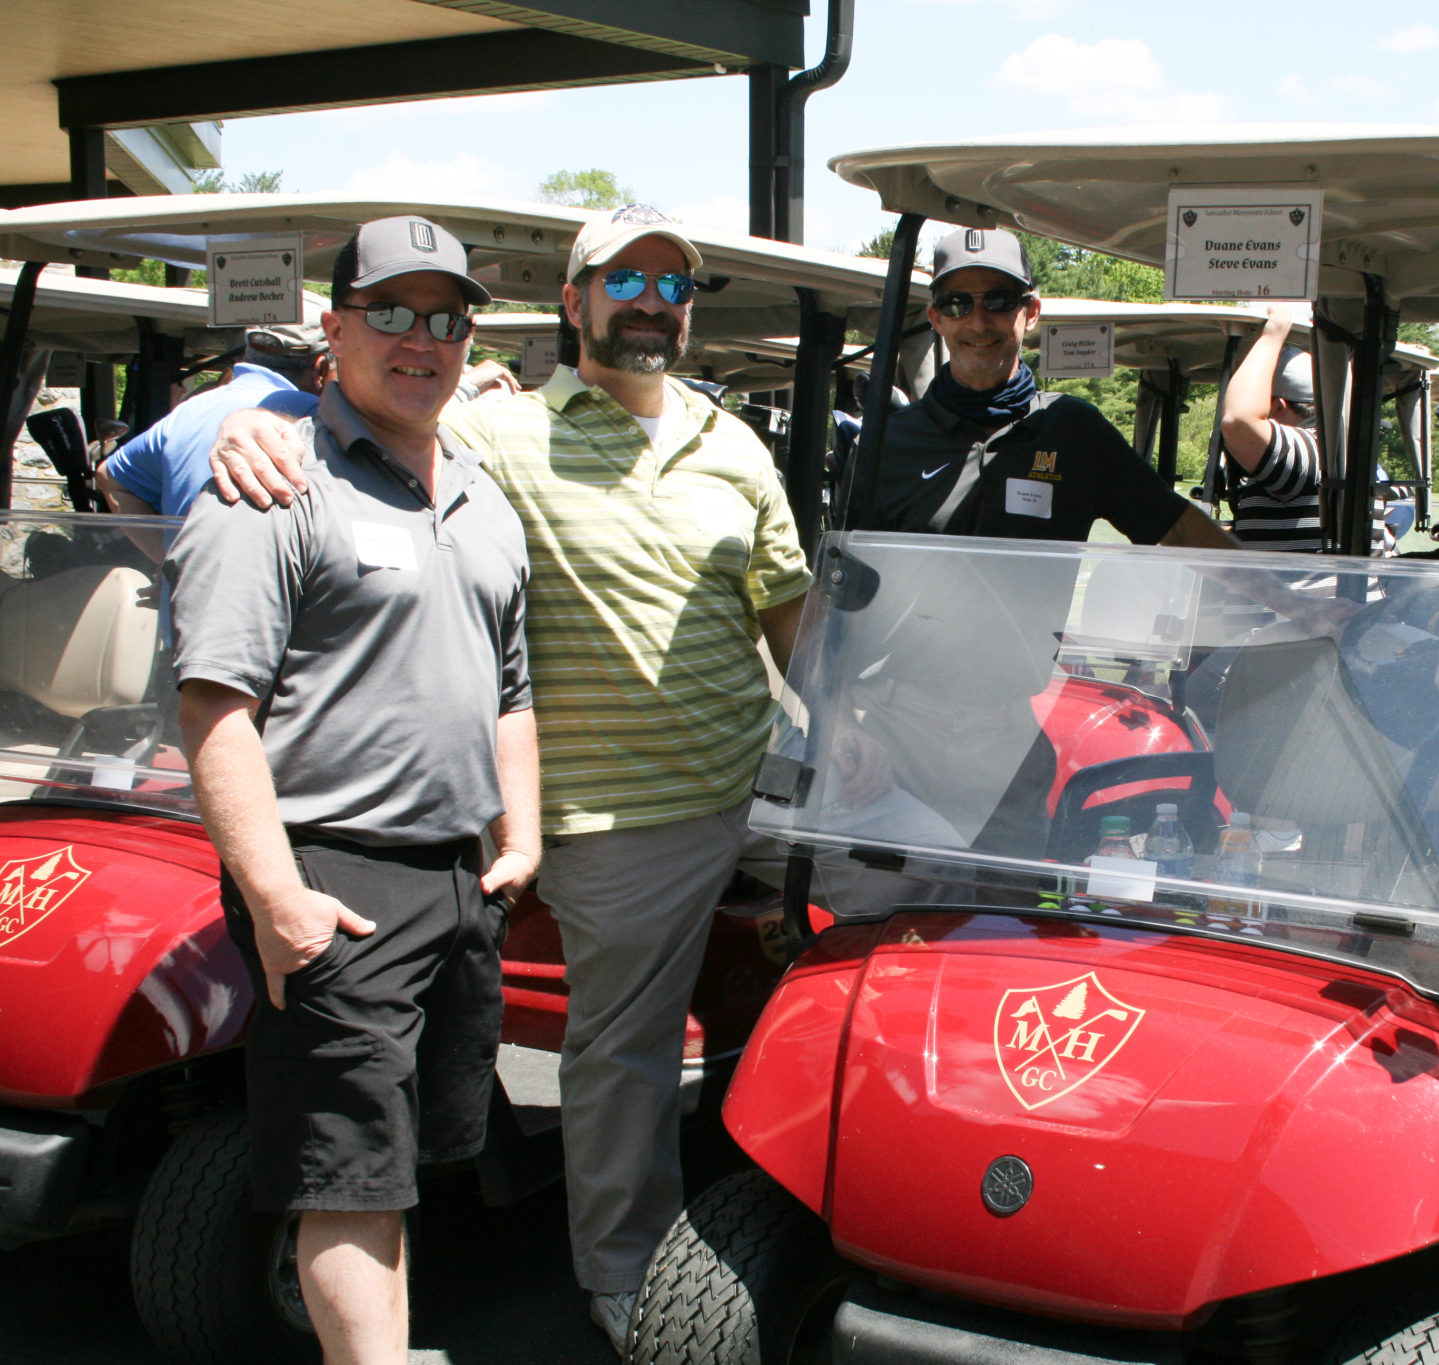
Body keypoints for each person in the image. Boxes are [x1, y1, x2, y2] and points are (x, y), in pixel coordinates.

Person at [206, 203, 811, 1357]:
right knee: (625, 1054)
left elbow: (785, 610)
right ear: (573, 305)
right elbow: (376, 418)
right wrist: (265, 425)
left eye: (671, 289)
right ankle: (625, 1273)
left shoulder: (731, 443)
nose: (649, 306)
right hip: (616, 812)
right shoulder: (500, 433)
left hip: (747, 783)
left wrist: (863, 737)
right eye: (621, 285)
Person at [164, 216, 538, 1365]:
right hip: (334, 877)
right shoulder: (269, 487)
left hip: (458, 879)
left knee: (407, 1161)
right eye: (390, 312)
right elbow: (214, 708)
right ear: (333, 330)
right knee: (348, 1183)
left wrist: (517, 832)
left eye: (445, 316)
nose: (421, 339)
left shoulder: (479, 493)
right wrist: (278, 900)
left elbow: (509, 687)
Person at [847, 225, 1235, 549]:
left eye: (999, 301)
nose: (978, 323)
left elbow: (1182, 530)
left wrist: (1286, 603)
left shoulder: (1073, 430)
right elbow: (851, 584)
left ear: (1030, 312)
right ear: (936, 319)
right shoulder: (887, 443)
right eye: (957, 304)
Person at [97, 325, 330, 524]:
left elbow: (109, 477)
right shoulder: (317, 415)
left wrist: (169, 557)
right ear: (320, 369)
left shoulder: (188, 410)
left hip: (184, 576)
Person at [1219, 306, 1324, 550]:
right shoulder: (1330, 449)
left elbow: (1237, 419)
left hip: (1293, 590)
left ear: (1277, 407)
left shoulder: (1307, 454)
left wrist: (1271, 338)